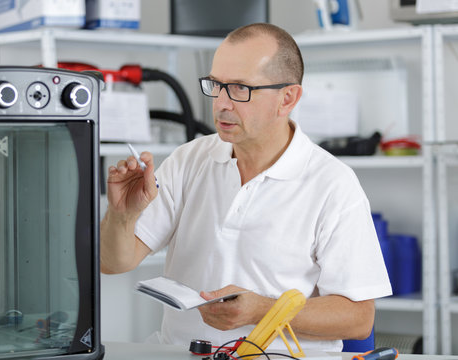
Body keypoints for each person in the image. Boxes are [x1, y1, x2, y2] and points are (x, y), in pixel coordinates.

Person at [100, 22, 392, 352]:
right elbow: (112, 263)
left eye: (240, 89)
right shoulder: (189, 160)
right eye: (216, 85)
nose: (221, 103)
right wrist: (122, 215)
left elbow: (357, 318)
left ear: (288, 98)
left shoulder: (332, 184)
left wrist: (262, 311)